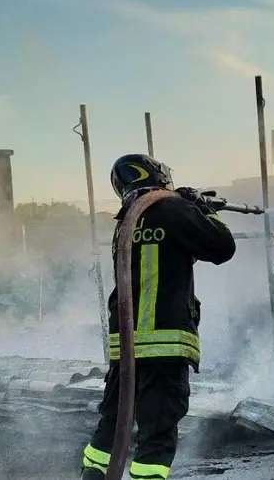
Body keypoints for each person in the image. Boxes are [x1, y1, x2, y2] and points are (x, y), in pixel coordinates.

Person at [81, 154, 237, 480]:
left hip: (125, 347)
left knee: (113, 421)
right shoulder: (172, 210)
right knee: (157, 434)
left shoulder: (126, 220)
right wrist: (202, 208)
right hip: (164, 343)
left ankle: (93, 476)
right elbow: (223, 247)